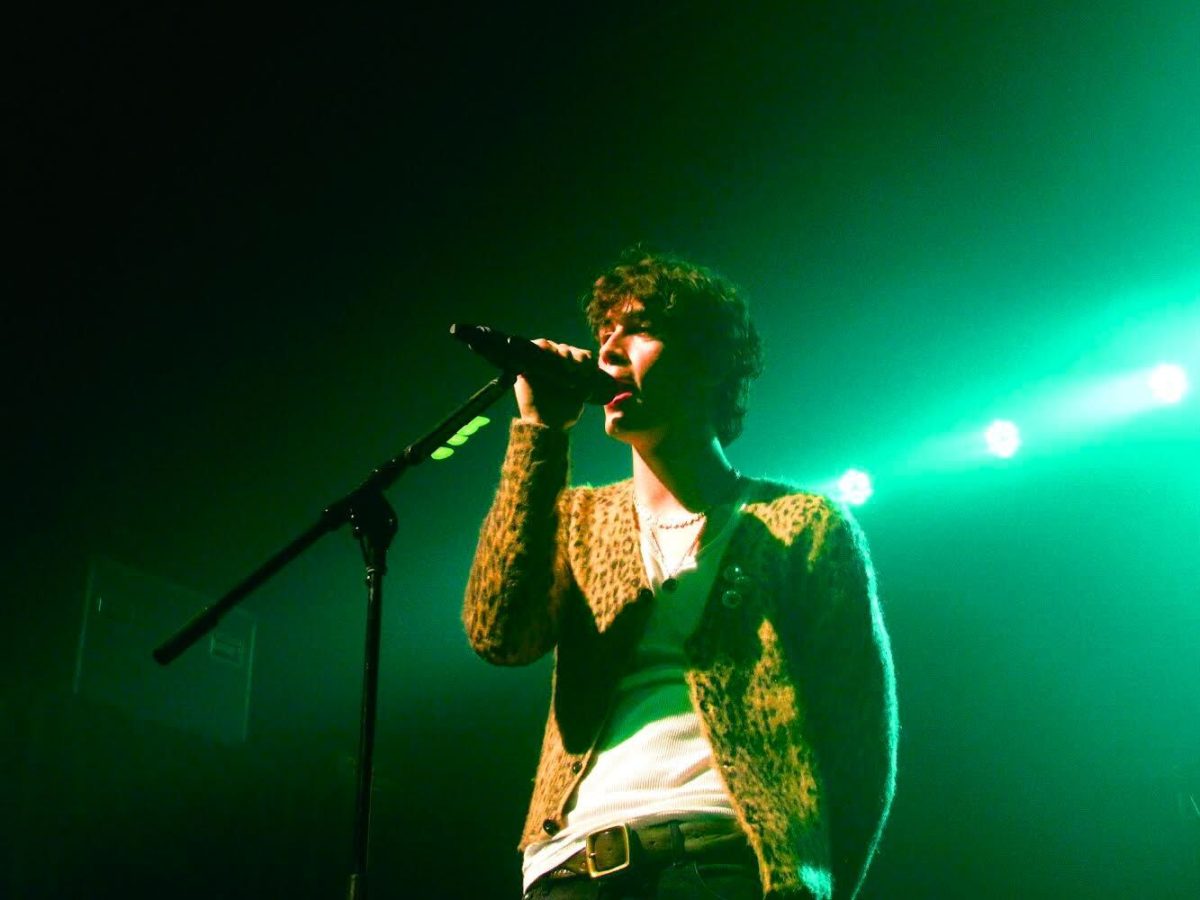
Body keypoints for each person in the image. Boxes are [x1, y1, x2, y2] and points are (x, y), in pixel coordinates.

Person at [464, 248, 898, 899]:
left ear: (708, 363)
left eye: (637, 330)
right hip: (574, 867)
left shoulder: (802, 526)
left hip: (727, 860)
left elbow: (862, 746)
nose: (608, 351)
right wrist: (539, 434)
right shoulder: (580, 518)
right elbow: (500, 634)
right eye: (602, 334)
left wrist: (817, 886)